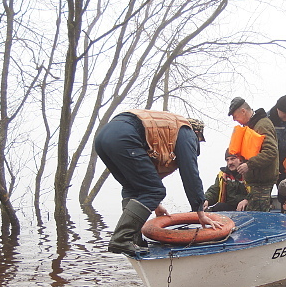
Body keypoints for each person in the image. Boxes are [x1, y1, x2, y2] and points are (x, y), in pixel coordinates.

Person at [94, 109, 222, 256]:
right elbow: (190, 171)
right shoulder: (187, 132)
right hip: (125, 136)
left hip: (103, 138)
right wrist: (200, 210)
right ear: (198, 133)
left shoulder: (169, 130)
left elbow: (144, 179)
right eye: (199, 141)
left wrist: (155, 204)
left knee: (132, 187)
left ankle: (133, 239)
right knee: (156, 191)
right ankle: (122, 239)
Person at [228, 97, 279, 212]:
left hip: (263, 182)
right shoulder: (252, 126)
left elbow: (271, 152)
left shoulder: (262, 125)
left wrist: (249, 165)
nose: (234, 120)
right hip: (256, 183)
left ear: (243, 111)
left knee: (258, 217)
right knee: (254, 213)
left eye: (235, 116)